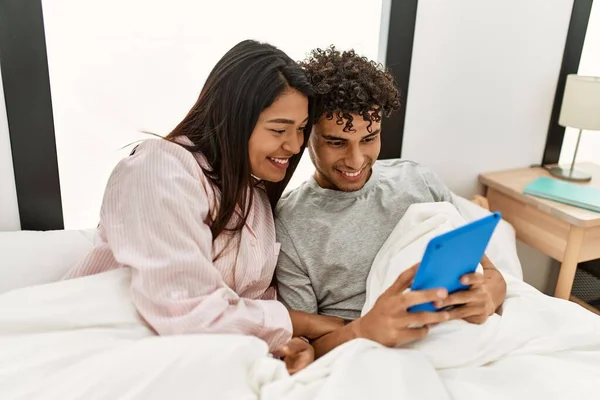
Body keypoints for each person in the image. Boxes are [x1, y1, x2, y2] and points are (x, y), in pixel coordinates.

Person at [63, 40, 343, 374]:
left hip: (189, 358)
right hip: (103, 345)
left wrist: (285, 345)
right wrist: (303, 325)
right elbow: (185, 310)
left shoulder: (255, 200)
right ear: (234, 118)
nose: (295, 145)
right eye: (279, 129)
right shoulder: (159, 168)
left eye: (300, 130)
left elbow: (253, 304)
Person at [274, 46, 507, 358]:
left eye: (369, 139)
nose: (355, 159)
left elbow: (492, 274)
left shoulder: (418, 180)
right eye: (336, 142)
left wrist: (489, 296)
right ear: (306, 135)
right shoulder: (291, 224)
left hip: (455, 331)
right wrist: (364, 329)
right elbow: (306, 348)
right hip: (373, 353)